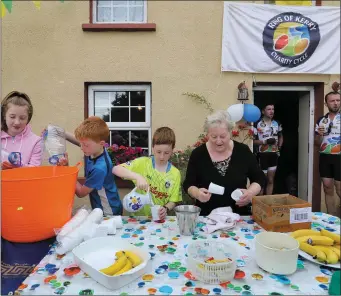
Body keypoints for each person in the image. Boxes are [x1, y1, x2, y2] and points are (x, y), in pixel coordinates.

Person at [183, 110, 265, 216]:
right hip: (207, 218)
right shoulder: (198, 154)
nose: (218, 141)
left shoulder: (242, 151)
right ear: (207, 134)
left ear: (230, 133)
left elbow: (259, 178)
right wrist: (197, 194)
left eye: (223, 136)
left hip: (239, 217)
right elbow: (188, 184)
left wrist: (250, 193)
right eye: (213, 137)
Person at [113, 127, 182, 220]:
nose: (162, 157)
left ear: (172, 150)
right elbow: (116, 169)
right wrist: (137, 176)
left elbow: (173, 200)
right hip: (137, 220)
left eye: (166, 153)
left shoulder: (175, 173)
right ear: (153, 147)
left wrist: (165, 208)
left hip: (158, 220)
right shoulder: (143, 163)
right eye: (158, 152)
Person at [74, 116, 122, 216]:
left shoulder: (99, 168)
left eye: (85, 145)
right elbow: (84, 141)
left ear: (102, 143)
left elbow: (81, 193)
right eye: (81, 144)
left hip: (108, 211)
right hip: (107, 206)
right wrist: (62, 134)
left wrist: (67, 172)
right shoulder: (95, 150)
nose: (81, 148)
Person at [1, 91, 42, 169]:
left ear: (28, 119)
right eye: (12, 117)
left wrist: (17, 167)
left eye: (22, 118)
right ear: (4, 116)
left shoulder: (36, 141)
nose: (17, 122)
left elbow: (35, 171)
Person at [315, 91, 340, 217]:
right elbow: (317, 143)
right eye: (332, 101)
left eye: (338, 100)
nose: (336, 103)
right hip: (325, 156)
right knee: (327, 187)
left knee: (339, 189)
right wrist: (319, 135)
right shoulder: (321, 120)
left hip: (339, 157)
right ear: (326, 103)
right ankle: (332, 218)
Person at [253, 103, 283, 195]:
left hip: (274, 154)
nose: (271, 111)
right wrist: (265, 142)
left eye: (273, 109)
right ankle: (260, 204)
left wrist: (279, 147)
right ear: (263, 111)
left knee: (270, 180)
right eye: (269, 109)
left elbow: (281, 136)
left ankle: (268, 201)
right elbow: (252, 141)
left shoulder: (276, 123)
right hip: (262, 155)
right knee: (262, 181)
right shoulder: (257, 123)